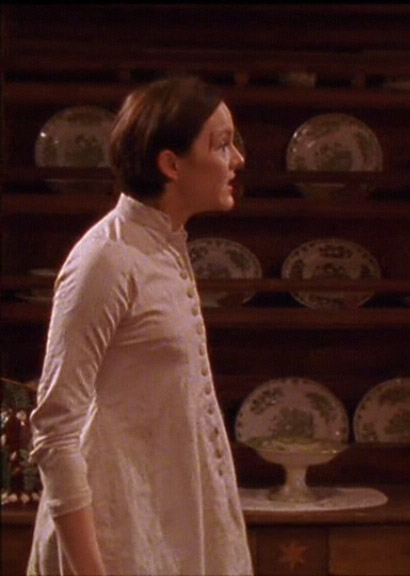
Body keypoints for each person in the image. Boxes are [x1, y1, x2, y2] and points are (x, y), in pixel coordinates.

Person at [27, 76, 253, 575]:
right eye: (221, 144)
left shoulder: (164, 246)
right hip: (112, 538)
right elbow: (55, 430)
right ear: (171, 164)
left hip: (164, 524)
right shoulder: (107, 258)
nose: (237, 159)